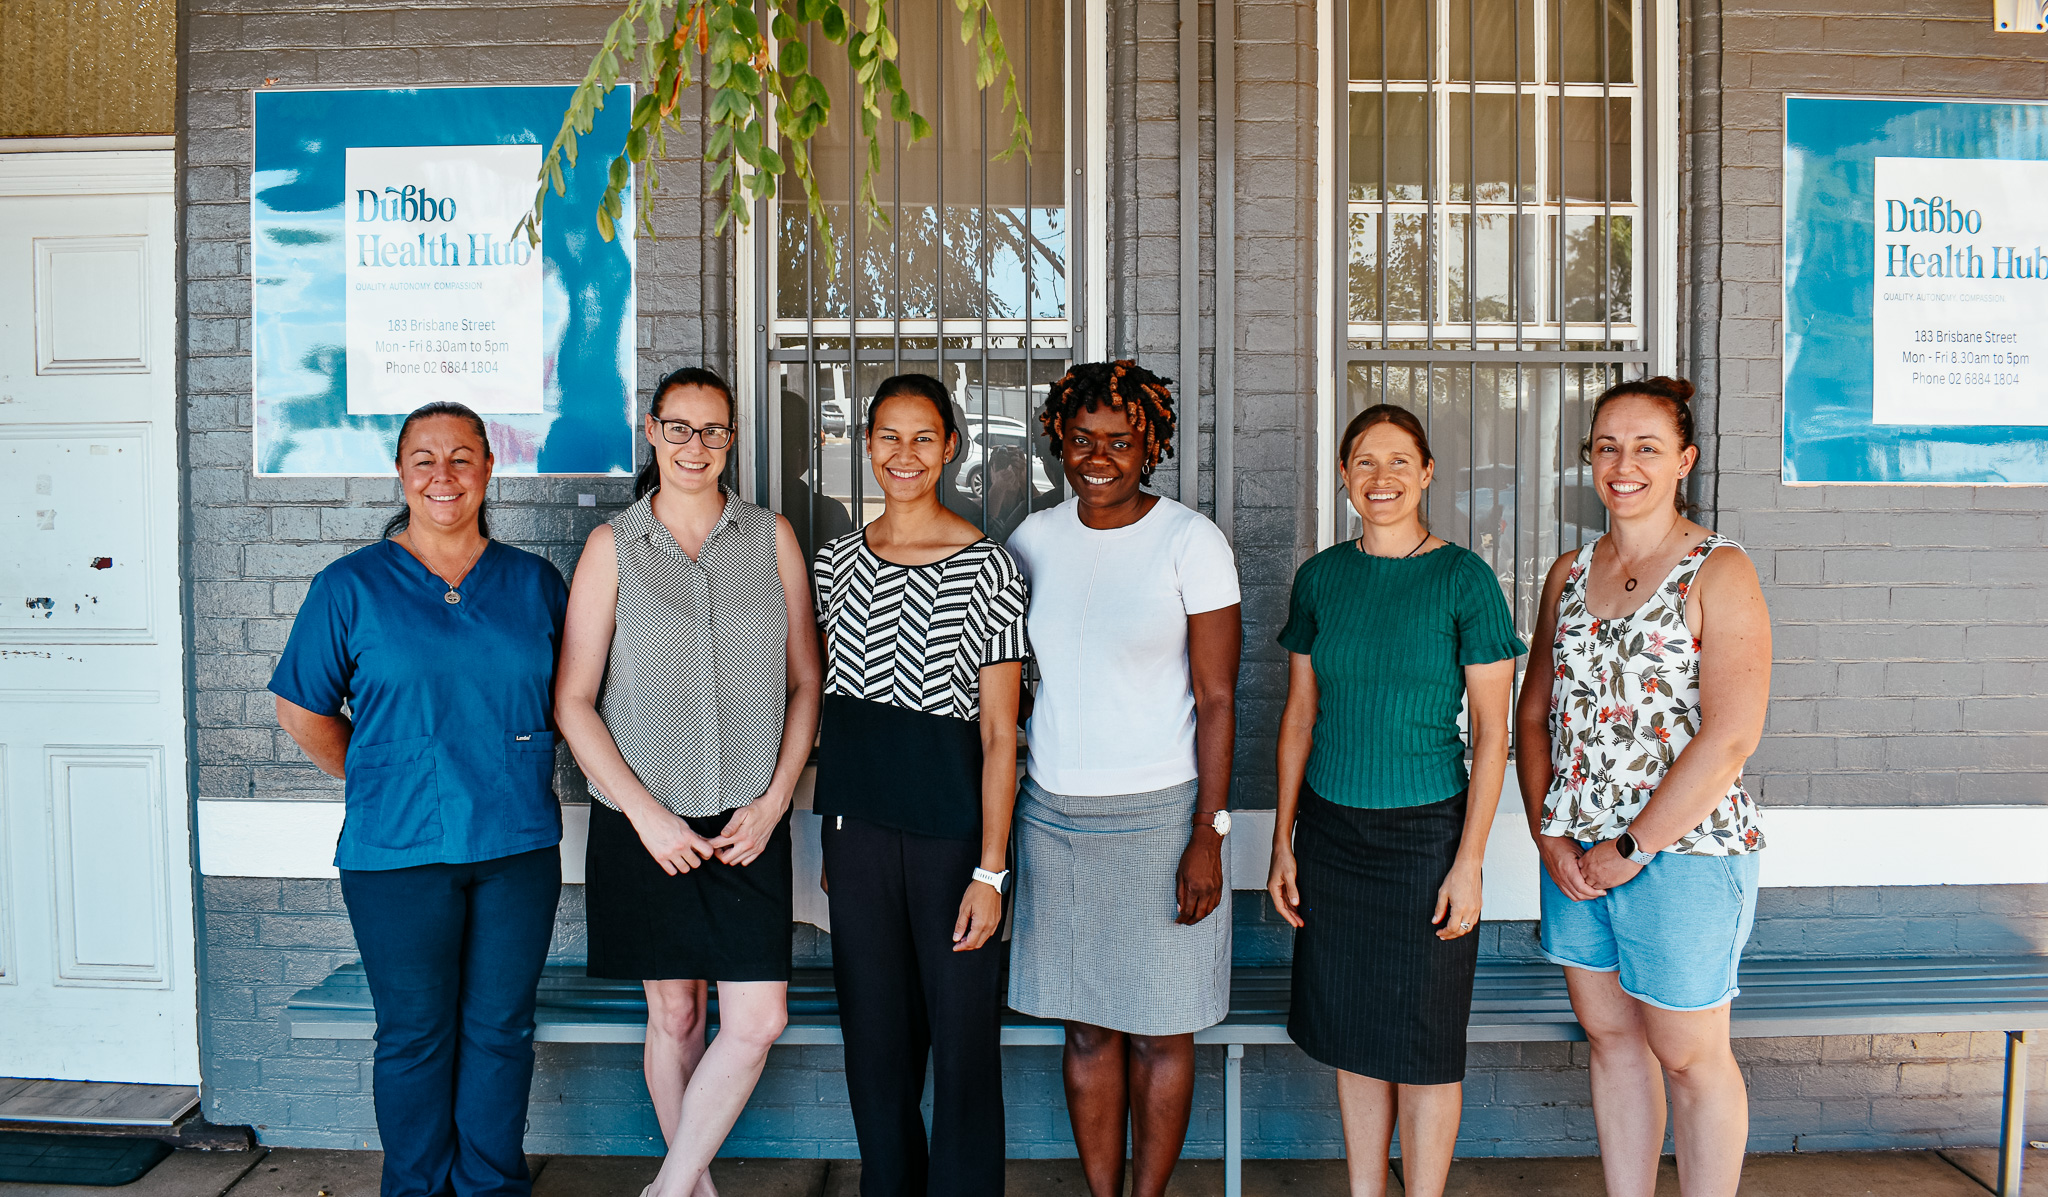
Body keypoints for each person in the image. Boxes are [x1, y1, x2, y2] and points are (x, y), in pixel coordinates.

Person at [270, 402, 567, 1197]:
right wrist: (376, 772)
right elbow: (301, 709)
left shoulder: (534, 583)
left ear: (489, 468)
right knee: (413, 1036)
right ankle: (415, 1188)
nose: (444, 475)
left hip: (514, 848)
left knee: (501, 1032)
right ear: (400, 473)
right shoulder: (349, 587)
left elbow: (573, 700)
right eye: (425, 459)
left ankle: (490, 1186)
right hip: (395, 853)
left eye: (462, 457)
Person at [555, 367, 823, 1197]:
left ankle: (669, 1187)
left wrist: (776, 800)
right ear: (651, 429)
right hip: (647, 828)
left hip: (748, 820)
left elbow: (806, 683)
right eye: (679, 428)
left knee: (757, 1019)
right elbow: (572, 699)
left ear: (732, 439)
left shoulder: (771, 536)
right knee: (673, 1015)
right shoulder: (613, 547)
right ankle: (691, 1190)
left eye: (712, 431)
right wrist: (646, 815)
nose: (695, 446)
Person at [1514, 377, 1771, 1197]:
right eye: (1607, 446)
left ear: (1684, 460)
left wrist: (1633, 846)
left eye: (1646, 447)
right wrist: (1548, 834)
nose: (1624, 464)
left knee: (1690, 1058)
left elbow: (1730, 735)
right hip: (1579, 859)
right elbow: (1533, 717)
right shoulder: (1568, 571)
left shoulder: (1718, 570)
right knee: (1612, 1041)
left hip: (1684, 856)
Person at [1266, 404, 1524, 1197]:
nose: (1382, 478)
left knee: (1424, 1040)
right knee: (1354, 1035)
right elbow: (1300, 715)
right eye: (1365, 462)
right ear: (1344, 476)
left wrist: (1470, 861)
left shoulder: (1463, 579)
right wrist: (1283, 840)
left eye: (1399, 461)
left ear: (1427, 472)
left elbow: (1492, 733)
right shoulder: (1322, 578)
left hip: (1427, 840)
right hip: (1333, 836)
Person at [1004, 361, 1242, 1197]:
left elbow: (1217, 700)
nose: (1099, 457)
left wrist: (1207, 838)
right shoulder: (1031, 541)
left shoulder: (1190, 540)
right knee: (1086, 1031)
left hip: (1162, 819)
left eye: (1121, 440)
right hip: (1054, 817)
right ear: (1058, 445)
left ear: (1151, 443)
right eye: (1081, 440)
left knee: (1161, 1032)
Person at [811, 372, 1030, 1197]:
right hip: (859, 832)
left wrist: (991, 868)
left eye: (924, 438)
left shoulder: (990, 567)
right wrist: (836, 826)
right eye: (889, 438)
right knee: (875, 1039)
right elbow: (829, 701)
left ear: (950, 448)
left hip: (952, 840)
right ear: (866, 446)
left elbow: (1000, 733)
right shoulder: (835, 562)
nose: (906, 455)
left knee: (965, 1039)